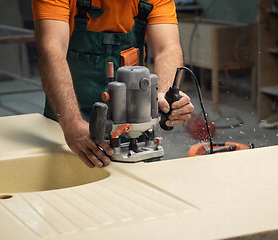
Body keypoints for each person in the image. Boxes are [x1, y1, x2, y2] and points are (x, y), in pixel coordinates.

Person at [32, 0, 194, 168]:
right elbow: (52, 50)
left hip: (133, 120)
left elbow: (166, 49)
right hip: (67, 122)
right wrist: (71, 124)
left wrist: (162, 97)